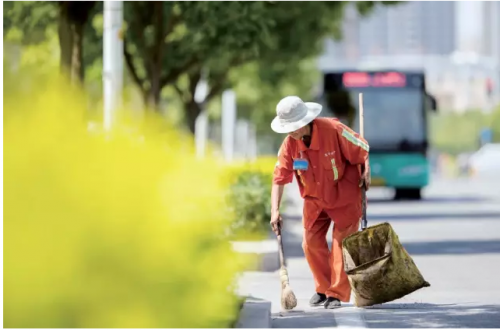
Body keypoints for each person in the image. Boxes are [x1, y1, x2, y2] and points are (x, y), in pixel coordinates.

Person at [269, 95, 370, 309]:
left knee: (341, 244)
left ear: (306, 121)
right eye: (287, 128)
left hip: (344, 195)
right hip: (315, 199)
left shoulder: (334, 130)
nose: (291, 132)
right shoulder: (290, 144)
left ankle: (336, 293)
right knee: (311, 242)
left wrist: (366, 171)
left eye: (294, 127)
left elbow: (362, 149)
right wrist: (275, 211)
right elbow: (279, 178)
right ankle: (323, 288)